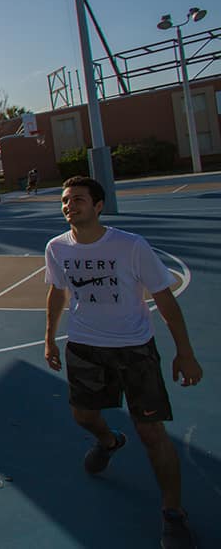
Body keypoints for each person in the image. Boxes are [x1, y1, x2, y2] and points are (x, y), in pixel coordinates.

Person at [44, 176, 202, 549]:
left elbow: (165, 300)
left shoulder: (130, 246)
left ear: (98, 206)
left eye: (78, 200)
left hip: (134, 349)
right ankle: (109, 440)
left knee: (151, 432)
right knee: (82, 415)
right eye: (65, 201)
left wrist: (185, 351)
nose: (70, 206)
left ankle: (173, 512)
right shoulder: (56, 248)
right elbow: (56, 291)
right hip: (84, 347)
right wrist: (50, 339)